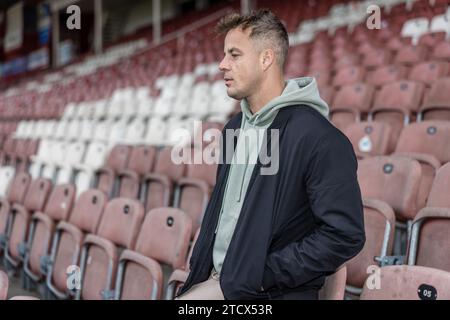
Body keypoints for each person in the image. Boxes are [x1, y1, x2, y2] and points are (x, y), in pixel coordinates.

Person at [176, 9, 365, 300]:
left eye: (234, 55)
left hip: (265, 292)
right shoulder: (234, 128)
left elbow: (343, 235)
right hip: (219, 281)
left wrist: (264, 275)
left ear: (266, 59)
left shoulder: (320, 139)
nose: (222, 64)